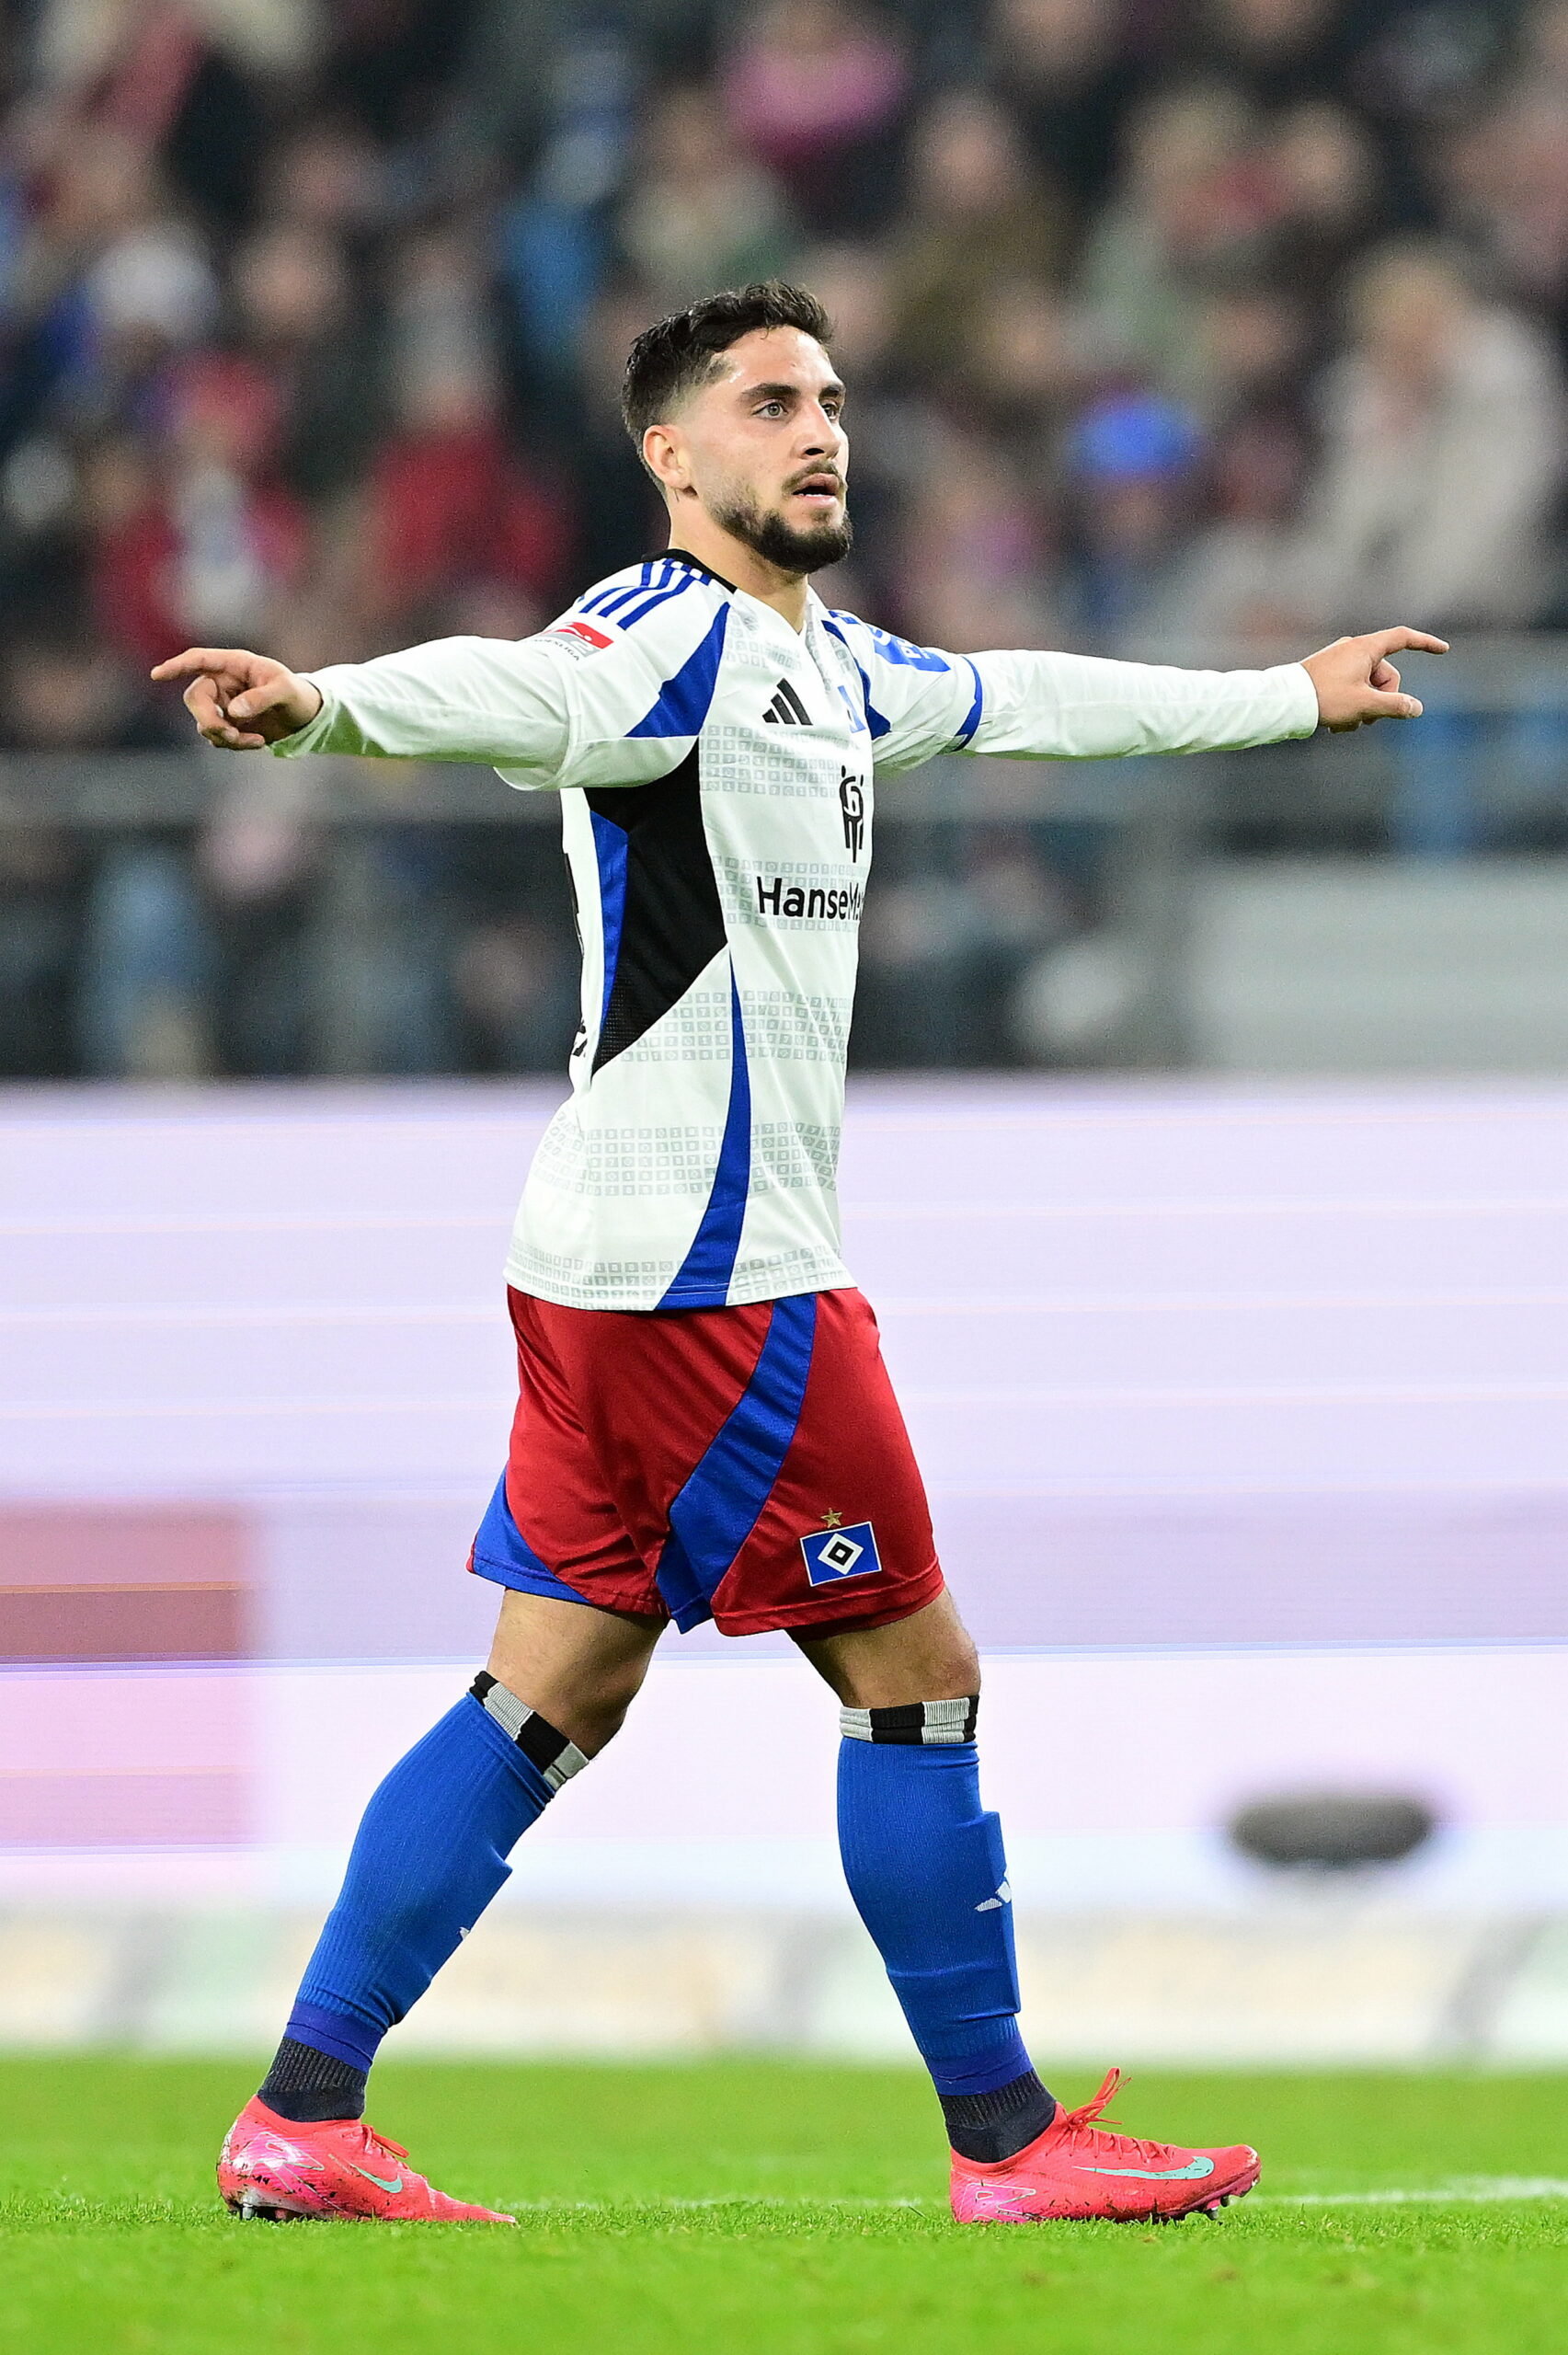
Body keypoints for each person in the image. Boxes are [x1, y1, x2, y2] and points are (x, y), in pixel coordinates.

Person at [154, 281, 1444, 2228]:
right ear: (674, 456)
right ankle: (1009, 2140)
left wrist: (1289, 693)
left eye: (828, 399)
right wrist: (329, 701)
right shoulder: (653, 639)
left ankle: (302, 2111)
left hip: (609, 1258)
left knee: (552, 1686)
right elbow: (516, 686)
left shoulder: (831, 666)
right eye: (768, 404)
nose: (816, 429)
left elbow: (1035, 698)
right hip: (712, 1272)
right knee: (913, 1671)